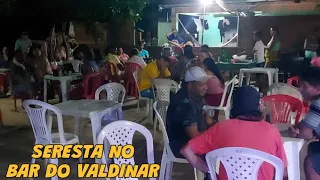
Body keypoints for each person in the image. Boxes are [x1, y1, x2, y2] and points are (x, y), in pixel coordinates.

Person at [181, 86, 288, 180]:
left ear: (233, 105)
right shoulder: (272, 131)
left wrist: (209, 171)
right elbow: (283, 172)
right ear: (258, 106)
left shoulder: (221, 128)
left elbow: (186, 151)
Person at [166, 66, 213, 158]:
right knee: (222, 149)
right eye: (201, 84)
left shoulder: (189, 95)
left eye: (206, 84)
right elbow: (194, 137)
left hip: (183, 141)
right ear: (190, 85)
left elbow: (208, 120)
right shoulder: (186, 105)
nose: (206, 88)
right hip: (182, 147)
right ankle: (209, 171)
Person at [288, 66, 320, 180]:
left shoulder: (318, 104)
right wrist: (298, 128)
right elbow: (308, 129)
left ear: (318, 88)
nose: (300, 89)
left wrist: (296, 130)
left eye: (305, 86)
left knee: (311, 161)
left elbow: (305, 133)